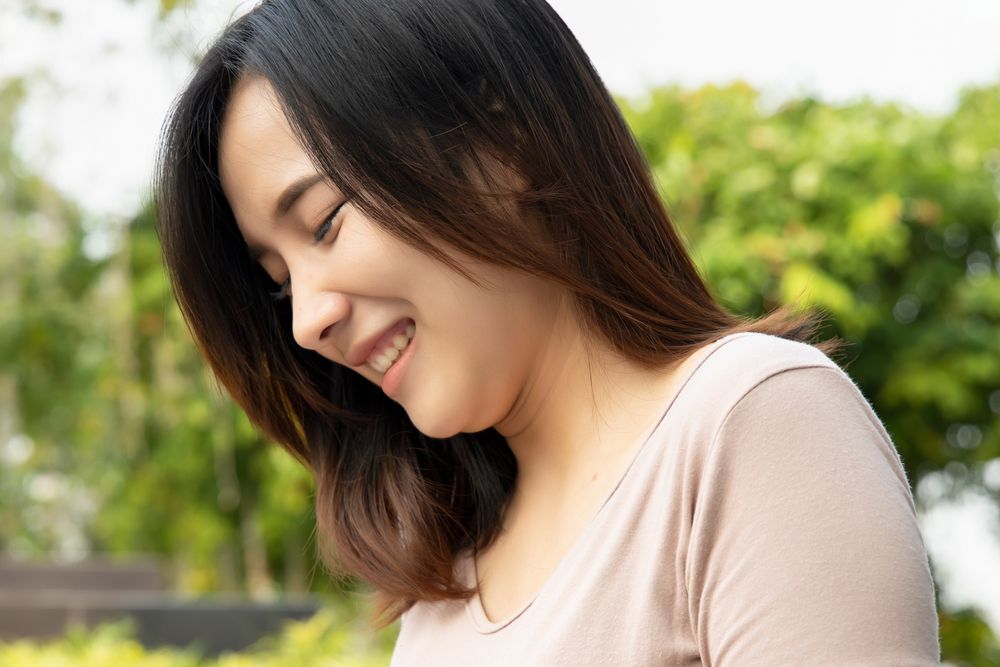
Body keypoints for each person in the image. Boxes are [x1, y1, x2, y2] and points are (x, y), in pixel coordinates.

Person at [155, 0, 941, 663]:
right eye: (280, 283)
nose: (306, 320)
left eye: (324, 220)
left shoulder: (751, 423)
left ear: (507, 144)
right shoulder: (441, 594)